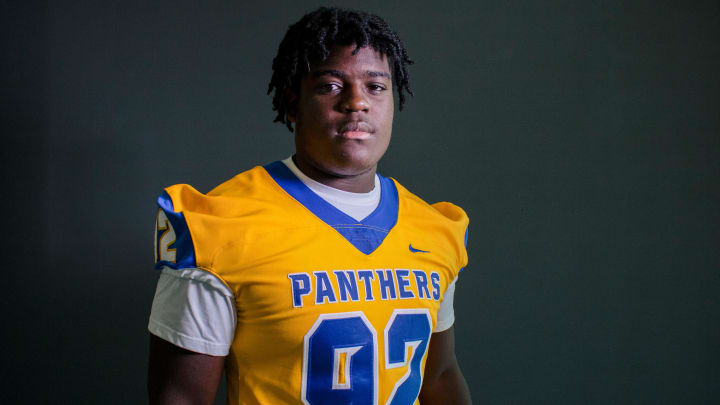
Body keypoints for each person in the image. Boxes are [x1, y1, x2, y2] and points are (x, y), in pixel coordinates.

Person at [147, 7, 471, 405]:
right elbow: (181, 398)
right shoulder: (219, 226)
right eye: (331, 86)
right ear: (292, 103)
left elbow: (438, 376)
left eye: (376, 86)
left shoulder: (435, 228)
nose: (357, 103)